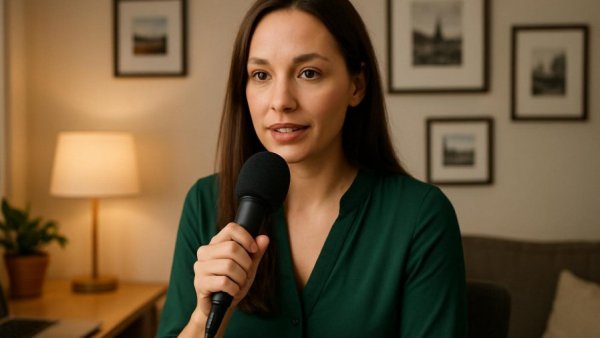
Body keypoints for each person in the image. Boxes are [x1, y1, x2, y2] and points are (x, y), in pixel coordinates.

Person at [157, 0, 467, 337]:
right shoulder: (204, 202)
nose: (281, 101)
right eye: (261, 75)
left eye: (309, 73)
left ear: (356, 85)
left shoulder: (420, 216)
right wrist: (205, 316)